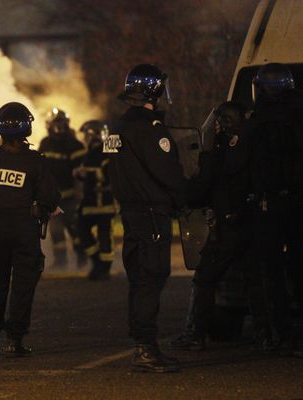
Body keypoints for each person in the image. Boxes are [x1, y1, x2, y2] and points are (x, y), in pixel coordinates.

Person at [105, 64, 187, 372]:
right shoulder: (149, 127)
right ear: (154, 90)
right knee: (151, 277)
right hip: (152, 212)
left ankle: (141, 340)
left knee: (139, 277)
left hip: (130, 212)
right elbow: (166, 171)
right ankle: (145, 348)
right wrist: (185, 197)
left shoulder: (116, 127)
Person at [0, 102, 61, 357]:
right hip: (25, 232)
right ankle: (15, 340)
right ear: (27, 128)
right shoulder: (35, 162)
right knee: (22, 288)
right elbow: (51, 196)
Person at [169, 101, 253, 351]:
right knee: (260, 280)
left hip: (227, 227)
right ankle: (270, 335)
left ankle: (195, 333)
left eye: (221, 121)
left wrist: (183, 195)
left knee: (205, 279)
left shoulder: (220, 151)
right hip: (255, 222)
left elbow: (203, 185)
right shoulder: (257, 144)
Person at [247, 63, 303, 357]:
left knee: (271, 272)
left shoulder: (260, 119)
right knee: (301, 270)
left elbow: (250, 164)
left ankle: (280, 333)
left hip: (270, 204)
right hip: (300, 203)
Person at [38, 108, 87, 268]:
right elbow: (40, 169)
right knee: (56, 231)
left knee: (76, 229)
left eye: (61, 123)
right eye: (56, 123)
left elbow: (83, 173)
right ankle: (61, 262)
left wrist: (81, 195)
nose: (59, 127)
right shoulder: (45, 144)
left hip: (72, 197)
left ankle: (82, 259)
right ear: (49, 125)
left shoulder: (75, 145)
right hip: (52, 199)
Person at [74, 120, 117, 280]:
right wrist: (79, 174)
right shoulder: (89, 154)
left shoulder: (109, 153)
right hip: (90, 203)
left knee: (105, 235)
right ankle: (98, 262)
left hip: (104, 203)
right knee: (82, 231)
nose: (88, 138)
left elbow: (111, 176)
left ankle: (104, 268)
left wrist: (86, 175)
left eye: (89, 134)